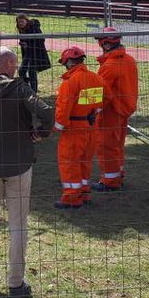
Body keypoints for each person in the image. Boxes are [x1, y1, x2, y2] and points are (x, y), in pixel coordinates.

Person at [0, 46, 54, 298]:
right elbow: (46, 111)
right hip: (19, 165)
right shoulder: (20, 89)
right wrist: (40, 133)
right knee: (18, 225)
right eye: (14, 64)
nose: (16, 68)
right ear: (8, 65)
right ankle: (16, 283)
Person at [53, 45, 108, 208]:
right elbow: (106, 97)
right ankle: (84, 193)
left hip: (73, 129)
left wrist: (57, 127)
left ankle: (71, 197)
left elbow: (63, 109)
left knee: (69, 163)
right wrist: (95, 111)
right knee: (85, 162)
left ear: (69, 62)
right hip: (90, 127)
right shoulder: (95, 78)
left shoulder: (70, 83)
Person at [91, 27, 138, 191]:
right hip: (124, 109)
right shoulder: (129, 60)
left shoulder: (109, 66)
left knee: (106, 146)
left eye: (100, 42)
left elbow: (99, 92)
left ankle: (110, 181)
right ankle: (118, 173)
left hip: (110, 111)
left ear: (106, 45)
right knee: (117, 144)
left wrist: (85, 108)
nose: (99, 45)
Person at [14, 14, 51, 93]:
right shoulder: (21, 29)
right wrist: (23, 44)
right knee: (21, 71)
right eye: (19, 22)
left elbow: (41, 40)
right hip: (28, 54)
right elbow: (24, 41)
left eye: (22, 21)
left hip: (36, 53)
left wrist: (28, 45)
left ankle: (33, 91)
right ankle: (27, 86)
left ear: (26, 21)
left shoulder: (34, 27)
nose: (20, 23)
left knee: (32, 72)